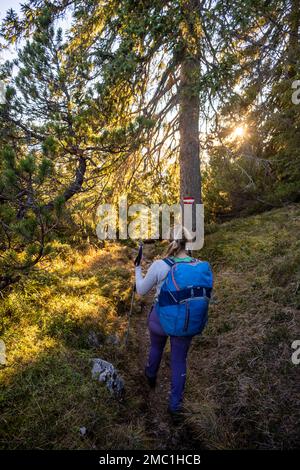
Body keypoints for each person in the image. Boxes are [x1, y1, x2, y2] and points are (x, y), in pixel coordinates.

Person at [135, 226, 196, 419]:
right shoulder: (198, 264)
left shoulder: (160, 265)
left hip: (161, 318)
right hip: (185, 321)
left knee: (156, 347)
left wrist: (137, 269)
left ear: (170, 241)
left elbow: (141, 291)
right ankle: (175, 406)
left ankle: (151, 376)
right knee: (179, 360)